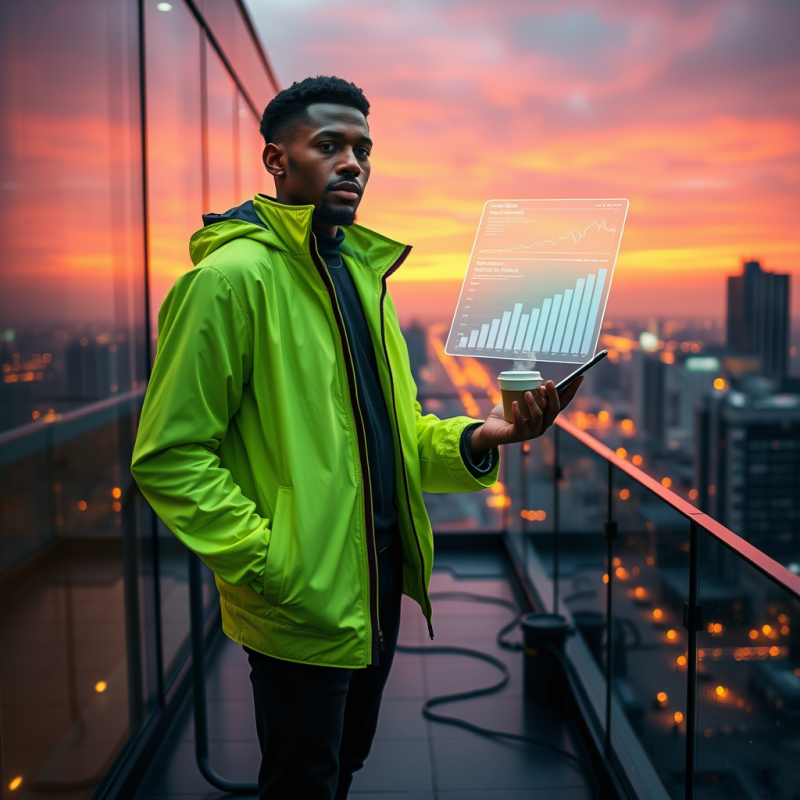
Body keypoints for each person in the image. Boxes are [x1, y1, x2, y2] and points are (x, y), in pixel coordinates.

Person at [131, 75, 583, 800]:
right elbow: (170, 455)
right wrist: (267, 561)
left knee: (343, 766)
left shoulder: (363, 278)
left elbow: (394, 437)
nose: (354, 164)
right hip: (299, 592)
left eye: (364, 150)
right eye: (330, 145)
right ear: (278, 160)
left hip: (376, 580)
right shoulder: (229, 280)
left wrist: (482, 435)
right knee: (301, 781)